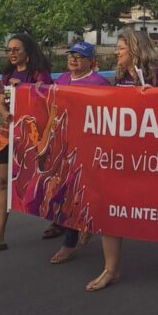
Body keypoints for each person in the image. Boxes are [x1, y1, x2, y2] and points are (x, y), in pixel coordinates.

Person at [86, 30, 158, 290]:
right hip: (123, 154)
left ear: (136, 50)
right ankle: (110, 269)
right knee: (110, 207)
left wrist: (155, 97)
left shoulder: (157, 75)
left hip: (154, 154)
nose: (117, 52)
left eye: (122, 48)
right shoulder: (119, 77)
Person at [0, 33, 53, 253]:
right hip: (8, 134)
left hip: (32, 135)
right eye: (9, 50)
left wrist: (24, 90)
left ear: (27, 51)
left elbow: (45, 100)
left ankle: (62, 221)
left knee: (43, 181)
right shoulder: (7, 75)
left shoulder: (39, 74)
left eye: (16, 49)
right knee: (3, 182)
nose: (12, 54)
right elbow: (0, 101)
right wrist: (5, 113)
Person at [49, 42, 110, 264]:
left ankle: (76, 236)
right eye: (71, 55)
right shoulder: (62, 80)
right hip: (64, 144)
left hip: (89, 145)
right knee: (67, 193)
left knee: (86, 191)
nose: (74, 59)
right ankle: (72, 237)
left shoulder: (100, 83)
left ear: (90, 61)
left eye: (80, 56)